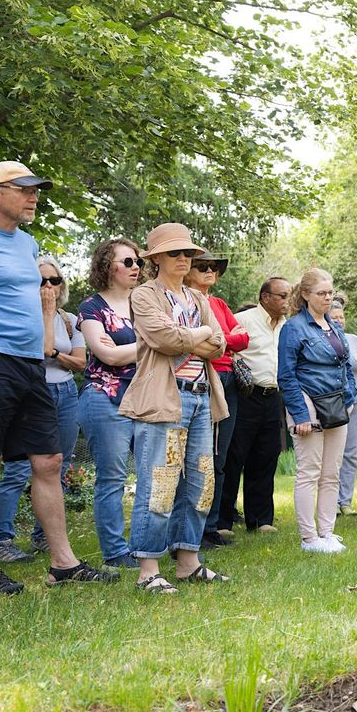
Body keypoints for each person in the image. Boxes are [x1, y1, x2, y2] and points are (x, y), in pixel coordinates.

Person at [0, 160, 118, 593]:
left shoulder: (27, 243)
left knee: (50, 460)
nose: (34, 196)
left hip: (32, 365)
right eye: (24, 189)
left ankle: (63, 562)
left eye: (36, 189)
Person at [120, 223, 230, 592]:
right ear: (155, 260)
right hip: (165, 398)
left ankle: (188, 562)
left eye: (188, 253)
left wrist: (192, 338)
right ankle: (148, 570)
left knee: (201, 481)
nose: (184, 258)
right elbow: (165, 339)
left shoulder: (198, 298)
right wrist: (197, 336)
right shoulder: (145, 296)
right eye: (174, 253)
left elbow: (219, 345)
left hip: (201, 396)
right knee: (160, 482)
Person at [0, 256, 86, 563]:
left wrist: (57, 353)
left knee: (60, 464)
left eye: (54, 281)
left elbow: (81, 361)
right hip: (32, 392)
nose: (48, 287)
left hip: (67, 391)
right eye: (40, 281)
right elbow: (42, 350)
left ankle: (44, 537)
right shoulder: (23, 315)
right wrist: (46, 318)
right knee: (17, 469)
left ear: (62, 285)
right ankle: (0, 539)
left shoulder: (70, 320)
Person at [278, 268, 356, 553]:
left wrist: (350, 397)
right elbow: (286, 375)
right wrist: (300, 415)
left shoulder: (334, 326)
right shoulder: (293, 328)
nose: (327, 298)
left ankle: (327, 533)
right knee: (309, 471)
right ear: (306, 295)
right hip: (308, 402)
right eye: (321, 293)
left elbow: (346, 365)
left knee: (331, 472)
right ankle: (309, 539)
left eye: (330, 293)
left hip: (336, 404)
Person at [77, 237, 142, 567]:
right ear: (107, 266)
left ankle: (145, 547)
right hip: (106, 398)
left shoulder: (146, 303)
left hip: (146, 399)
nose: (136, 267)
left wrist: (130, 349)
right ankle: (116, 553)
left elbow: (173, 347)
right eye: (127, 262)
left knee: (152, 475)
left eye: (137, 261)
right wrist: (152, 344)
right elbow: (107, 355)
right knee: (112, 478)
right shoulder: (92, 307)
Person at [185, 251, 249, 548]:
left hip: (228, 379)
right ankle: (192, 530)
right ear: (187, 271)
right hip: (203, 375)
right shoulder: (184, 300)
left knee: (219, 458)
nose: (210, 271)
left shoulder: (219, 304)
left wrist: (221, 338)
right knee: (200, 458)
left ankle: (211, 526)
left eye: (214, 268)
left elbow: (242, 338)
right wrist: (223, 339)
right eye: (202, 267)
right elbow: (207, 342)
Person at [220, 277, 290, 534]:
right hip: (245, 394)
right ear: (265, 297)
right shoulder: (245, 319)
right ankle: (223, 520)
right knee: (233, 457)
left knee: (266, 456)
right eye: (282, 296)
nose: (286, 301)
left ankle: (261, 520)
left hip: (273, 396)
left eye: (288, 295)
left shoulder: (286, 326)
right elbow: (227, 347)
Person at [330, 300, 357, 516]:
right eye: (334, 317)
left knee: (350, 454)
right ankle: (330, 503)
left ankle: (345, 501)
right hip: (331, 405)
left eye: (341, 317)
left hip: (356, 405)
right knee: (331, 455)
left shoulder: (354, 340)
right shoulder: (322, 340)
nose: (339, 320)